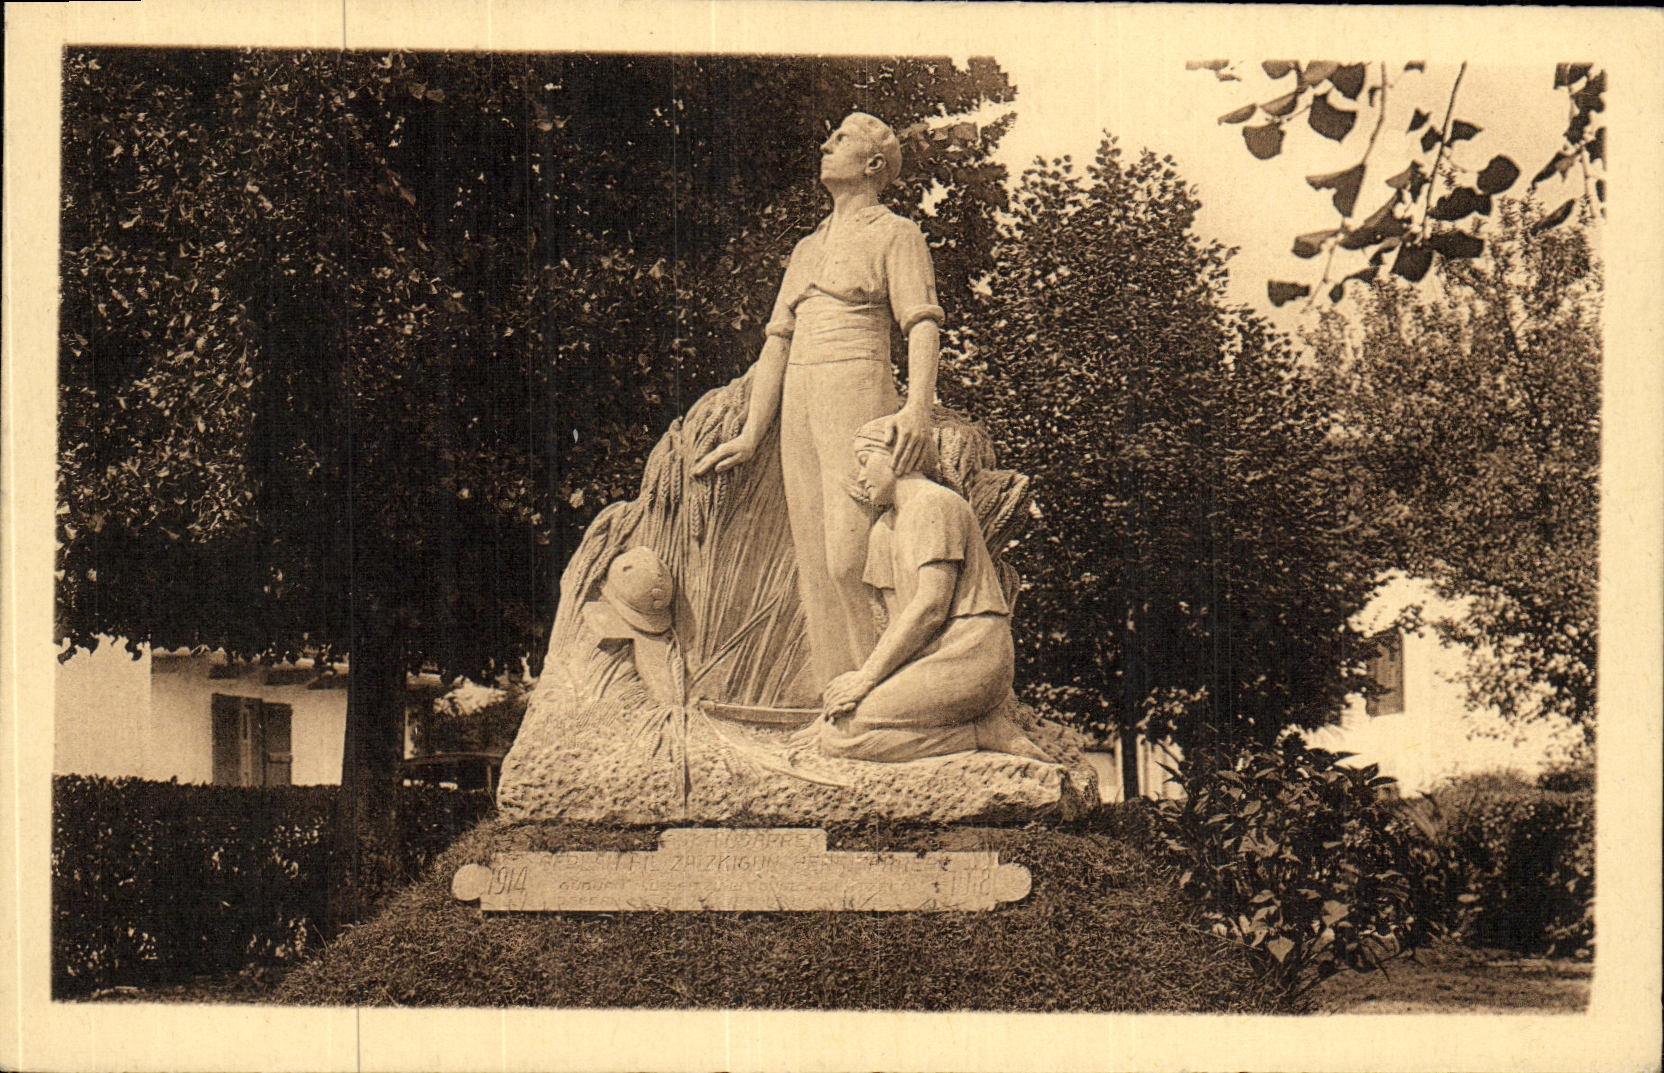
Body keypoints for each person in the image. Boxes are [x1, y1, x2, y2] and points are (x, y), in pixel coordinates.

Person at [692, 113, 943, 693]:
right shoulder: (806, 247)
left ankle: (892, 690)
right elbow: (777, 339)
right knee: (812, 558)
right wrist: (753, 431)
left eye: (841, 140)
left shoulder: (896, 233)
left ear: (875, 165)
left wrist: (918, 410)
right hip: (800, 395)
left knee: (850, 556)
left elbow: (921, 323)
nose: (824, 146)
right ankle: (839, 692)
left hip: (855, 385)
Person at [809, 419, 1049, 763]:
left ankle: (979, 731)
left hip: (972, 657)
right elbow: (897, 625)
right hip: (927, 661)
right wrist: (866, 682)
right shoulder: (883, 531)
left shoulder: (937, 505)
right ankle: (970, 732)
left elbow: (932, 607)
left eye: (865, 461)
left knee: (843, 737)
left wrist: (865, 680)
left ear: (900, 455)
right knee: (836, 730)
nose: (860, 477)